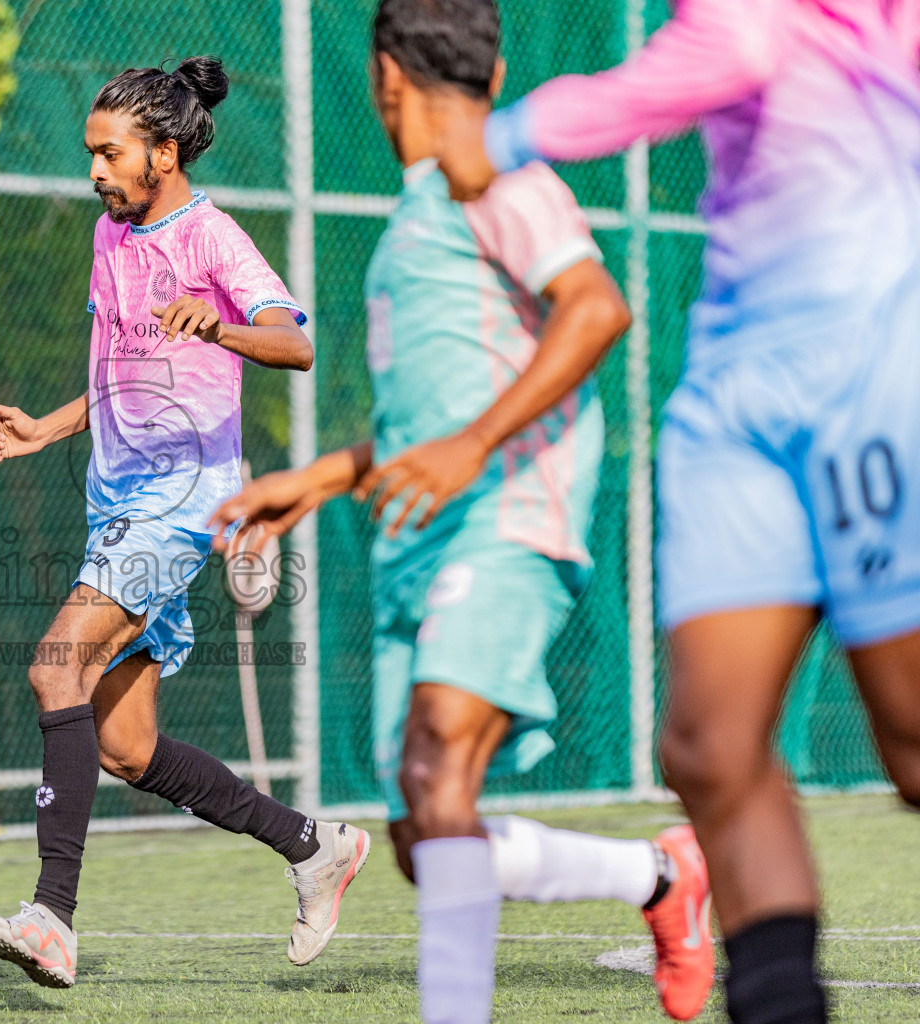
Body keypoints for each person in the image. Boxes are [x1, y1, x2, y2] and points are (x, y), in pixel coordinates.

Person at [210, 4, 714, 1022]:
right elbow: (430, 420)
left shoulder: (504, 179)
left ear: (385, 74)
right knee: (425, 830)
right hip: (420, 535)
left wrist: (473, 448)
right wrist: (321, 476)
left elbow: (597, 307)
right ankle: (660, 879)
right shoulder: (419, 212)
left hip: (509, 518)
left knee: (439, 763)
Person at [426, 2, 920, 1022]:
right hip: (734, 389)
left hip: (868, 357)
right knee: (710, 746)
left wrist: (507, 135)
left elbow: (736, 47)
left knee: (912, 741)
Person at [0, 56, 368, 990]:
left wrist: (218, 324)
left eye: (111, 153)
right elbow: (118, 370)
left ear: (166, 150)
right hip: (118, 507)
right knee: (125, 747)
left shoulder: (213, 237)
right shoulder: (113, 236)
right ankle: (312, 847)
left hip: (181, 509)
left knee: (54, 661)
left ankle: (50, 918)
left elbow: (295, 341)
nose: (96, 170)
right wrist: (47, 429)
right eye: (92, 153)